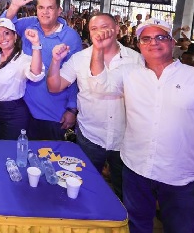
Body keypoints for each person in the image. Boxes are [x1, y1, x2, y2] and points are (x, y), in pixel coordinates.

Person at [88, 18, 194, 233]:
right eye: (146, 39)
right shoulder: (130, 73)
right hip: (135, 170)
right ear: (139, 45)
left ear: (172, 41)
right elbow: (99, 86)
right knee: (137, 226)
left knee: (181, 229)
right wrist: (99, 50)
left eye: (160, 37)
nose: (153, 43)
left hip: (181, 177)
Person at [46, 13, 143, 199]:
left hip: (125, 140)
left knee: (125, 193)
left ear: (116, 28)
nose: (100, 32)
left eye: (105, 26)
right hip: (90, 136)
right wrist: (55, 61)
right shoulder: (80, 59)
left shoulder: (136, 60)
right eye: (94, 29)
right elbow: (54, 86)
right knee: (84, 188)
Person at [3, 0, 82, 140]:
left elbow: (75, 76)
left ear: (59, 11)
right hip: (23, 108)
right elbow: (2, 26)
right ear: (36, 9)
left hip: (53, 113)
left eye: (50, 8)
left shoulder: (71, 37)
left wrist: (72, 109)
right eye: (41, 7)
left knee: (48, 159)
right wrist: (13, 6)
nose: (45, 12)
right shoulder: (29, 24)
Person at [0, 18, 44, 140]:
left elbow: (36, 74)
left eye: (7, 33)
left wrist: (36, 45)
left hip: (13, 112)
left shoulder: (23, 60)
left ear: (15, 36)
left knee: (10, 150)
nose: (3, 38)